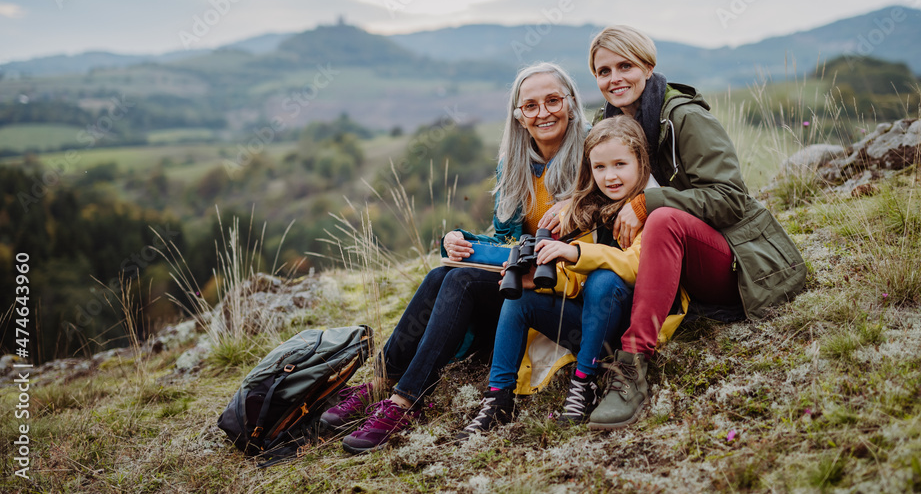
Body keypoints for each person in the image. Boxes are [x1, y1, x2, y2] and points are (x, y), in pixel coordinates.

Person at [323, 62, 588, 453]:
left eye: (552, 100)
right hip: (523, 278)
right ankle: (381, 380)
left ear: (570, 103)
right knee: (441, 274)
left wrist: (575, 205)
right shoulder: (515, 165)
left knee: (460, 281)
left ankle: (403, 403)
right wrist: (460, 241)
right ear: (518, 117)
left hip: (565, 287)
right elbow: (507, 240)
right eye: (530, 106)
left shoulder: (592, 156)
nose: (543, 112)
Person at [582, 25, 807, 430]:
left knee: (663, 219)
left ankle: (633, 369)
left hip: (734, 262)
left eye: (625, 66)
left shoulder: (684, 117)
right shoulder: (611, 122)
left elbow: (731, 198)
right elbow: (607, 185)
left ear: (648, 67)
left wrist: (647, 202)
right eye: (603, 71)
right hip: (669, 265)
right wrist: (571, 205)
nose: (614, 79)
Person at [457, 116, 654, 437]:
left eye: (620, 164)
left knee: (606, 278)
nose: (611, 176)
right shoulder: (588, 210)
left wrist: (574, 254)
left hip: (628, 333)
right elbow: (576, 281)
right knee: (521, 295)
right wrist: (539, 278)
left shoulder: (650, 210)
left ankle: (584, 384)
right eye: (600, 167)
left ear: (640, 163)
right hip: (590, 329)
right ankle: (498, 398)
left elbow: (634, 267)